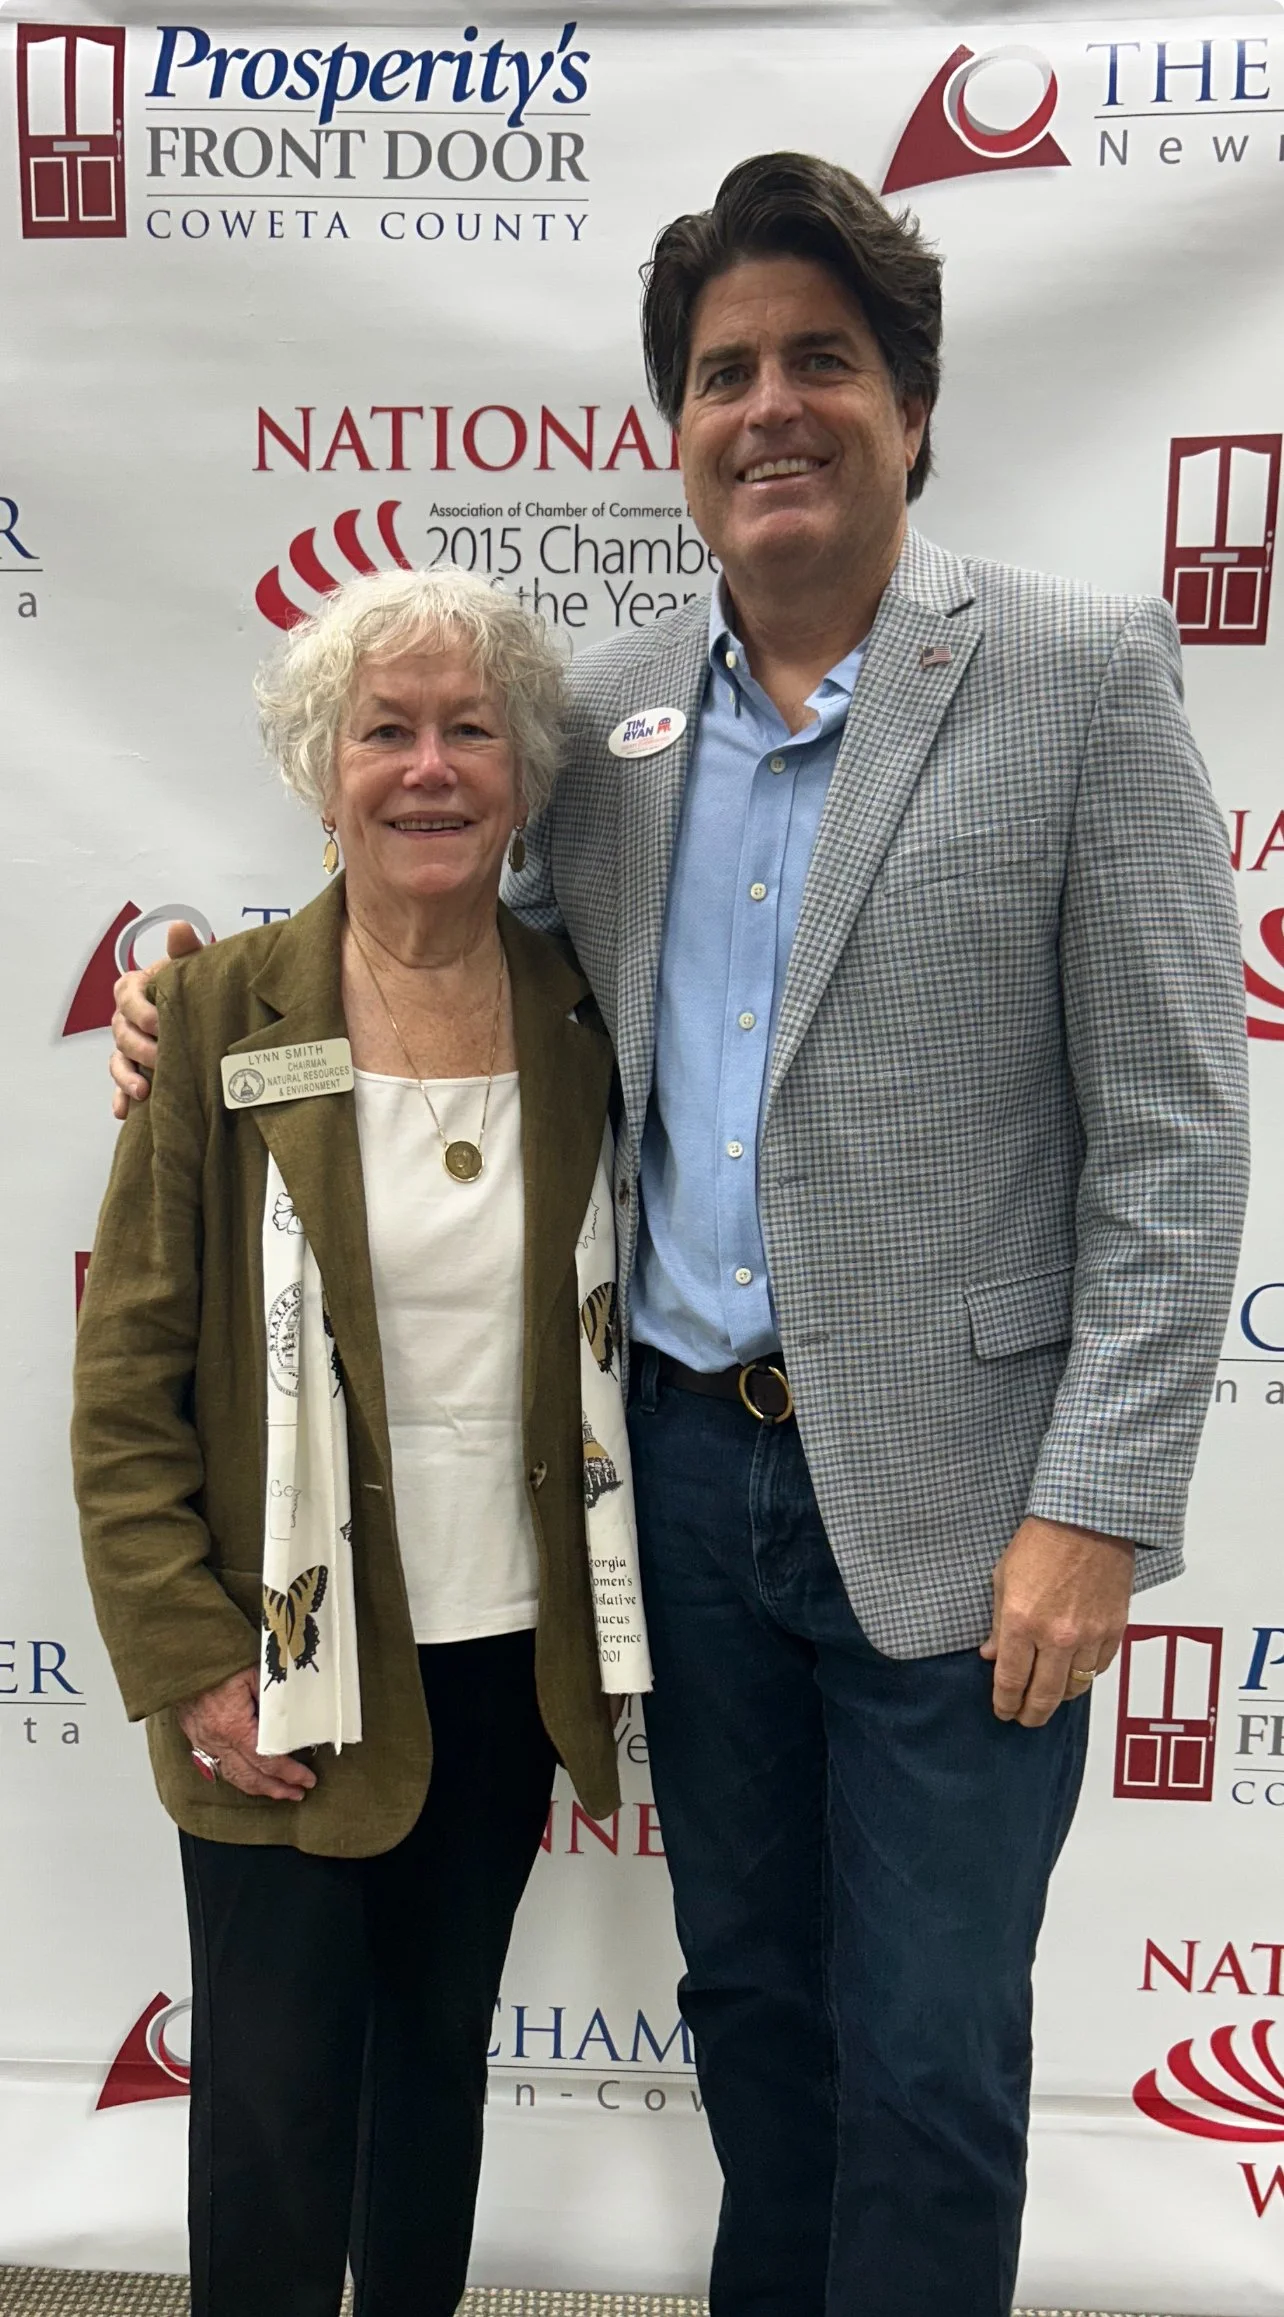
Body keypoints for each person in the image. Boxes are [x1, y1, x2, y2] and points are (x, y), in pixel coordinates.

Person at [110, 155, 1251, 2316]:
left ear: (915, 406)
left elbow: (1181, 1139)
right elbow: (436, 947)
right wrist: (200, 986)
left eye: (823, 360)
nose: (772, 407)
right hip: (685, 1490)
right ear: (680, 427)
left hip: (967, 1512)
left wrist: (1099, 1506)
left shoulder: (1081, 675)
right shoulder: (612, 725)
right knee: (753, 2016)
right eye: (726, 373)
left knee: (929, 2057)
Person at [75, 566, 633, 2317]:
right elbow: (126, 1380)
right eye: (386, 731)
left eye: (472, 730)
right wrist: (189, 1660)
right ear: (327, 772)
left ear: (523, 776)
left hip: (504, 1664)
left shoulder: (587, 1014)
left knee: (431, 2081)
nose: (430, 767)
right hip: (281, 1666)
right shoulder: (215, 1012)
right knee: (269, 2109)